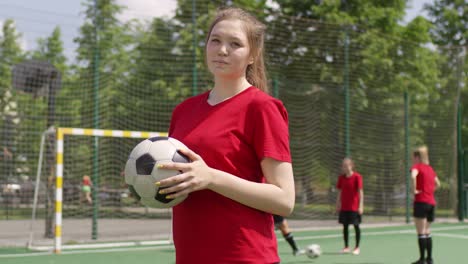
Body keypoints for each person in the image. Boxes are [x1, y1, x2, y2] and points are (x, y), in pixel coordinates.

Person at [155, 7, 295, 264]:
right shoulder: (183, 111)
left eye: (235, 44)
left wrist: (212, 177)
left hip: (245, 257)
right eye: (215, 40)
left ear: (253, 55)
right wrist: (148, 179)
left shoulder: (262, 108)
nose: (222, 50)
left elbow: (285, 200)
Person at [411, 146, 440, 264]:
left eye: (413, 158)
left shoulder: (417, 167)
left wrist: (414, 190)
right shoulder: (430, 168)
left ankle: (422, 259)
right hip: (431, 203)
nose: (413, 160)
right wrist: (430, 191)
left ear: (417, 157)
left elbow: (413, 175)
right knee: (427, 230)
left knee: (421, 231)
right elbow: (438, 183)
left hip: (421, 202)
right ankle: (430, 258)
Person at [336, 157, 363, 255]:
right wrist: (338, 203)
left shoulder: (357, 177)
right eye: (343, 166)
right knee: (345, 227)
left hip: (354, 207)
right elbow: (339, 192)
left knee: (356, 226)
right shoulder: (341, 178)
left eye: (347, 165)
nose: (345, 167)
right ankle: (346, 247)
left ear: (351, 166)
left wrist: (361, 206)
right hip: (344, 207)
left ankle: (357, 247)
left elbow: (360, 192)